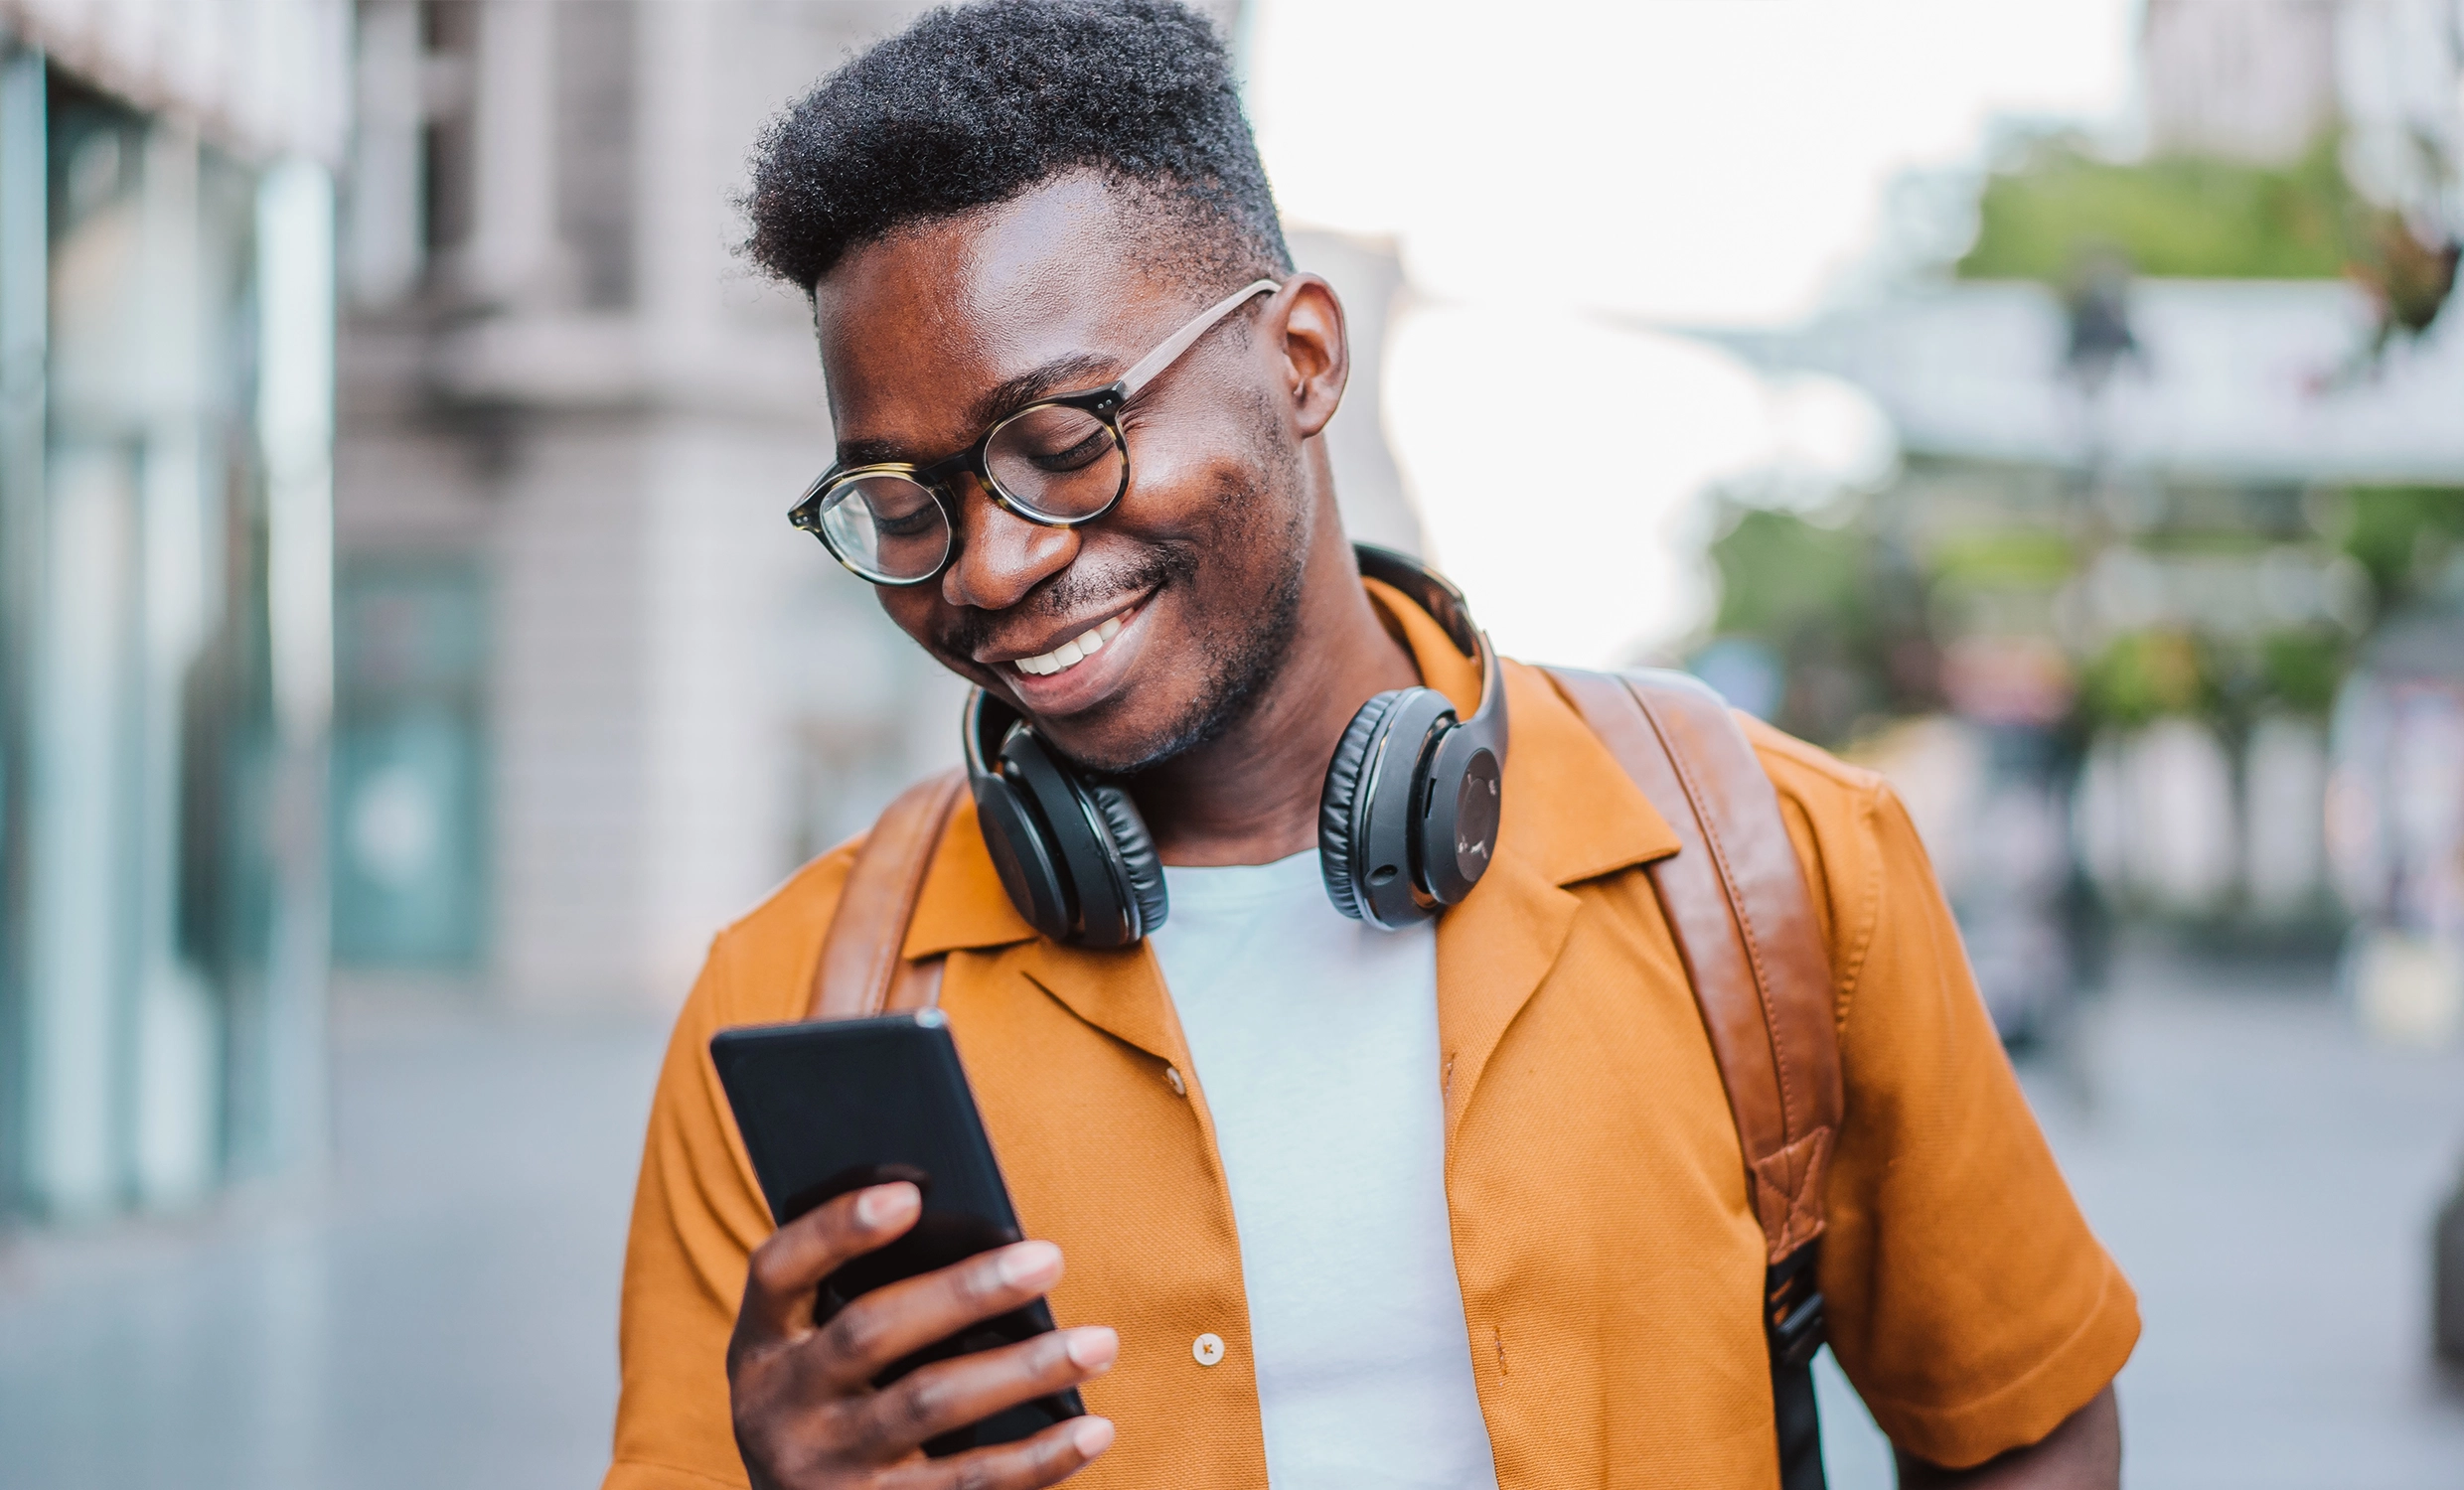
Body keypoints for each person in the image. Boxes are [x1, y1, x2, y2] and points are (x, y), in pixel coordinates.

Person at [604, 4, 2137, 1488]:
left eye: (1066, 444)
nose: (989, 568)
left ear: (1305, 359)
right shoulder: (786, 1001)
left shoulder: (1777, 872)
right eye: (903, 506)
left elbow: (2024, 1432)